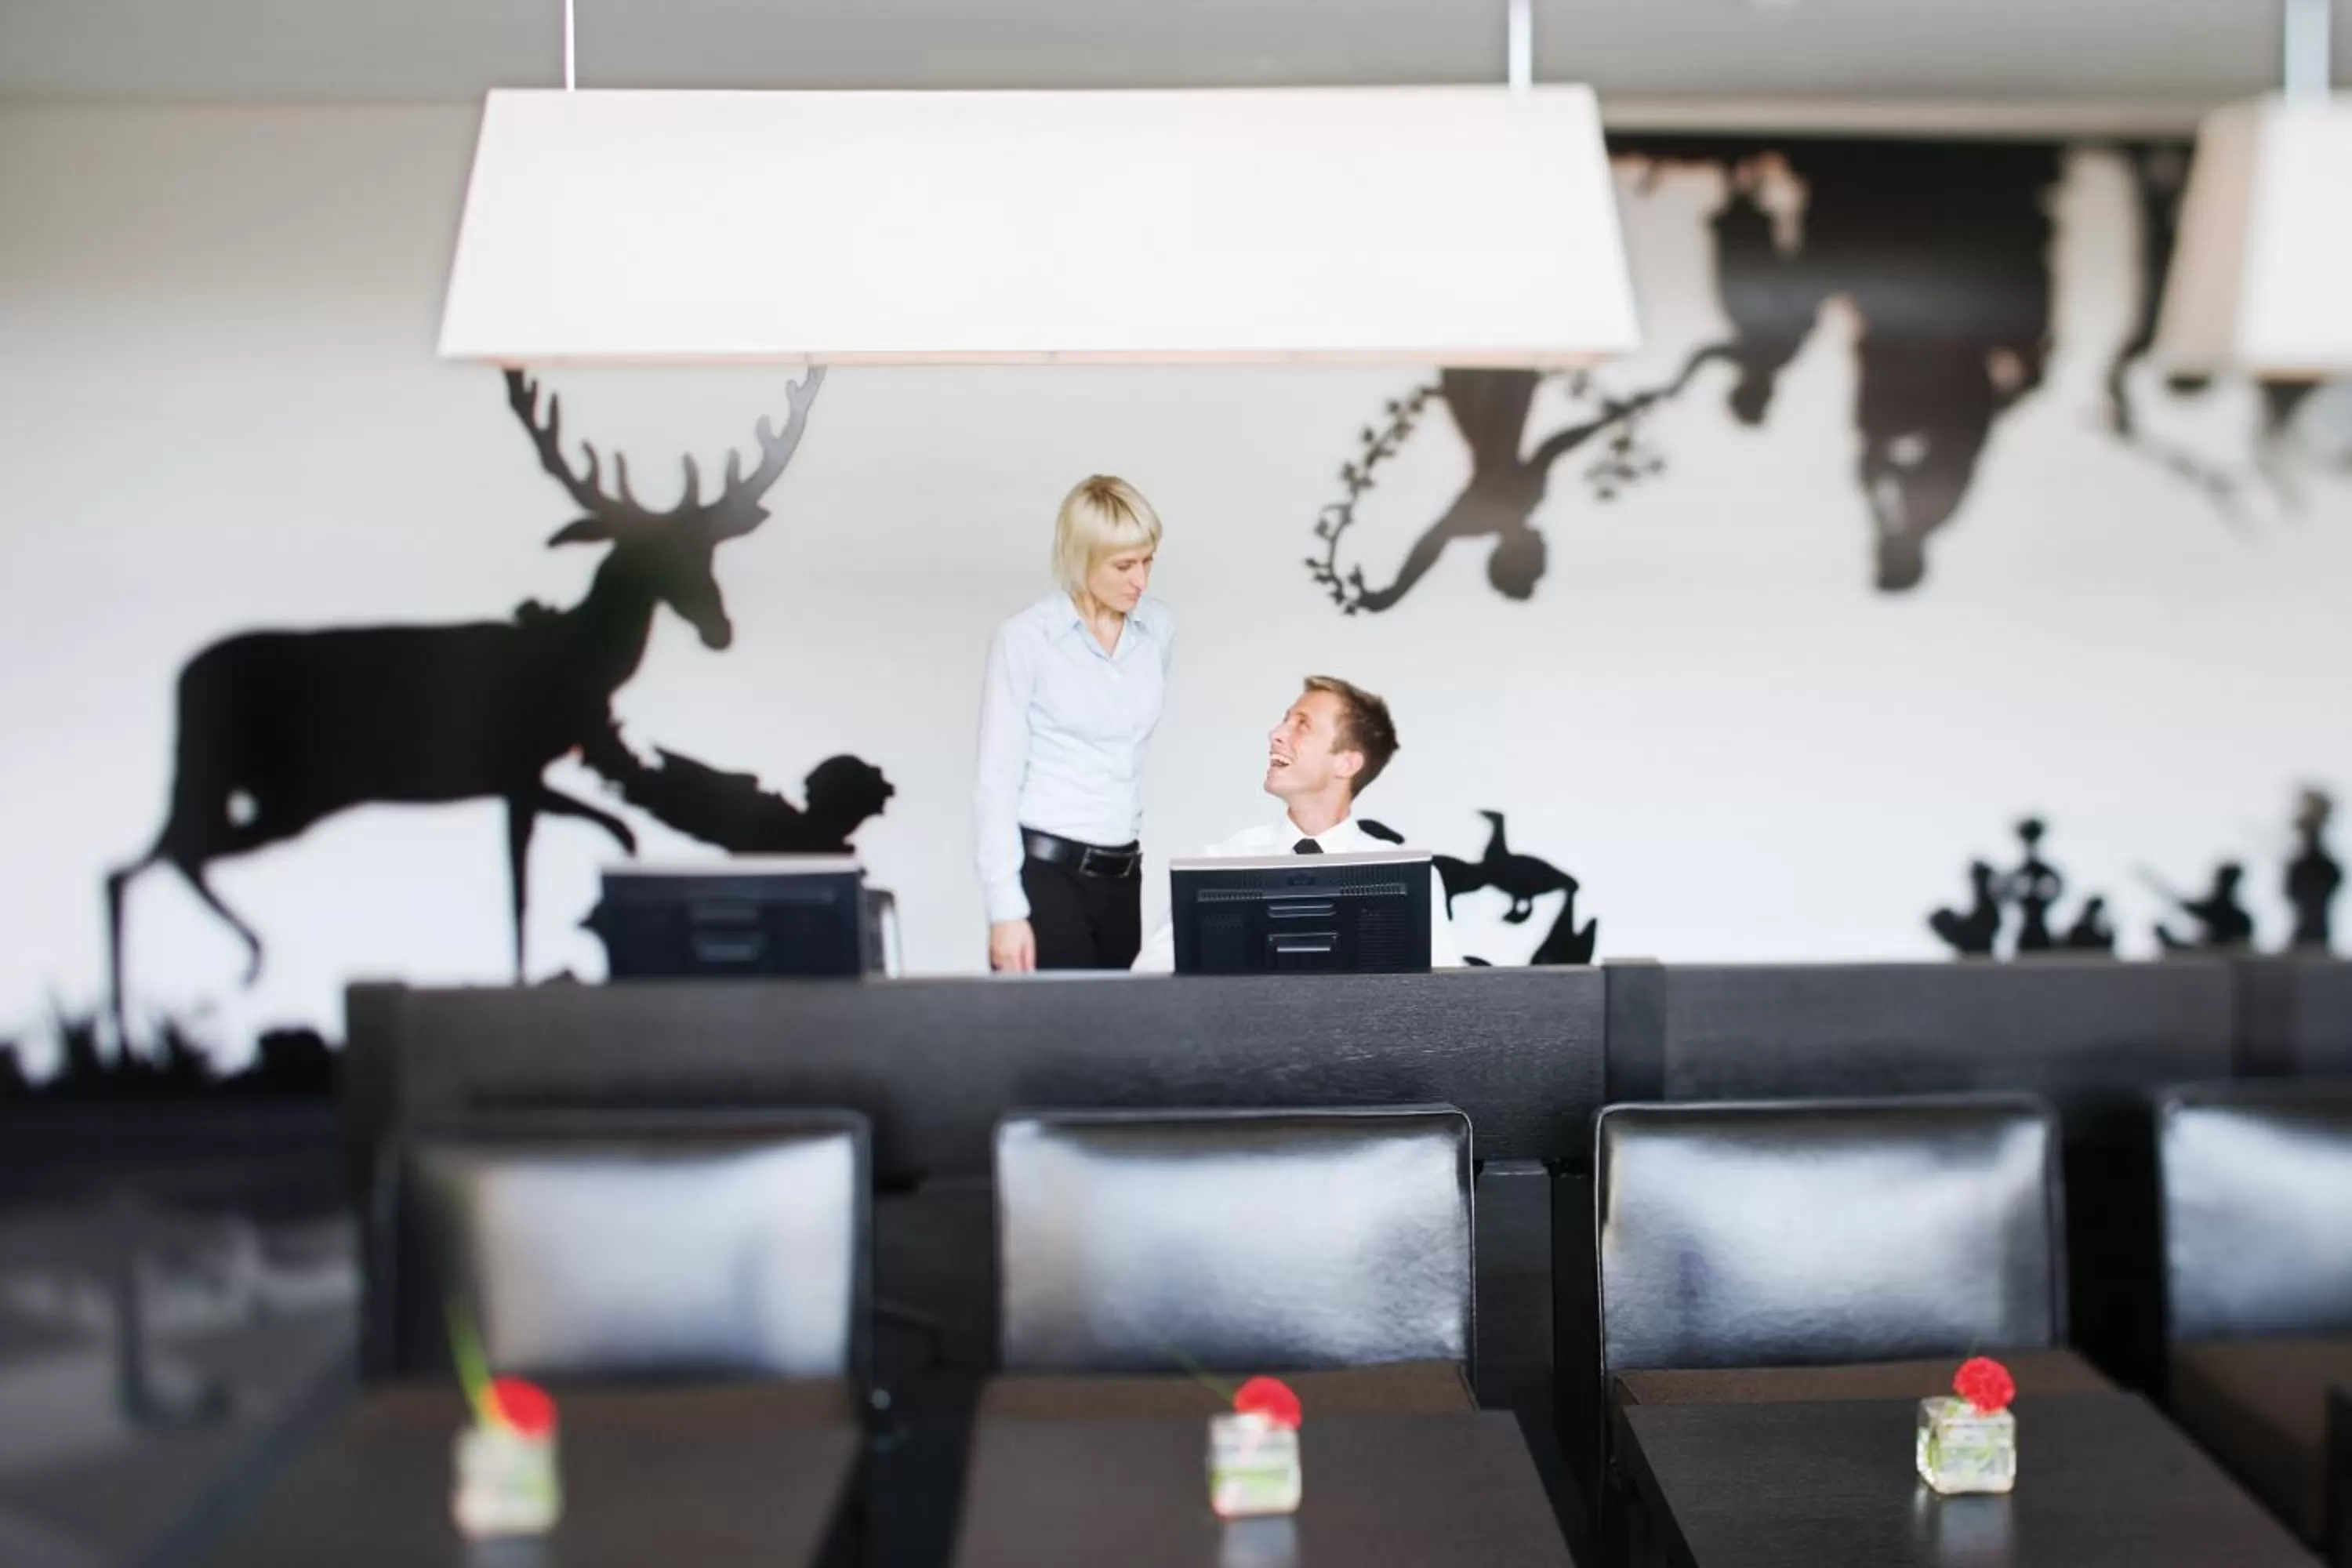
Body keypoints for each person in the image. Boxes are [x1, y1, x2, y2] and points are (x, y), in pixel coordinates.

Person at [975, 475, 1174, 971]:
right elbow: (996, 777)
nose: (1141, 581)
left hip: (1124, 874)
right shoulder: (1026, 638)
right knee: (1054, 1022)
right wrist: (1005, 909)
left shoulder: (1158, 629)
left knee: (1119, 1021)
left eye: (1148, 561)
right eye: (1123, 566)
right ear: (1082, 558)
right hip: (1047, 874)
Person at [1133, 676, 1462, 971]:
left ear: (1347, 763)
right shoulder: (1217, 863)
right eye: (1285, 721)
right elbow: (1152, 979)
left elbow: (1445, 993)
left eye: (1302, 725)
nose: (1275, 734)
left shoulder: (1408, 878)